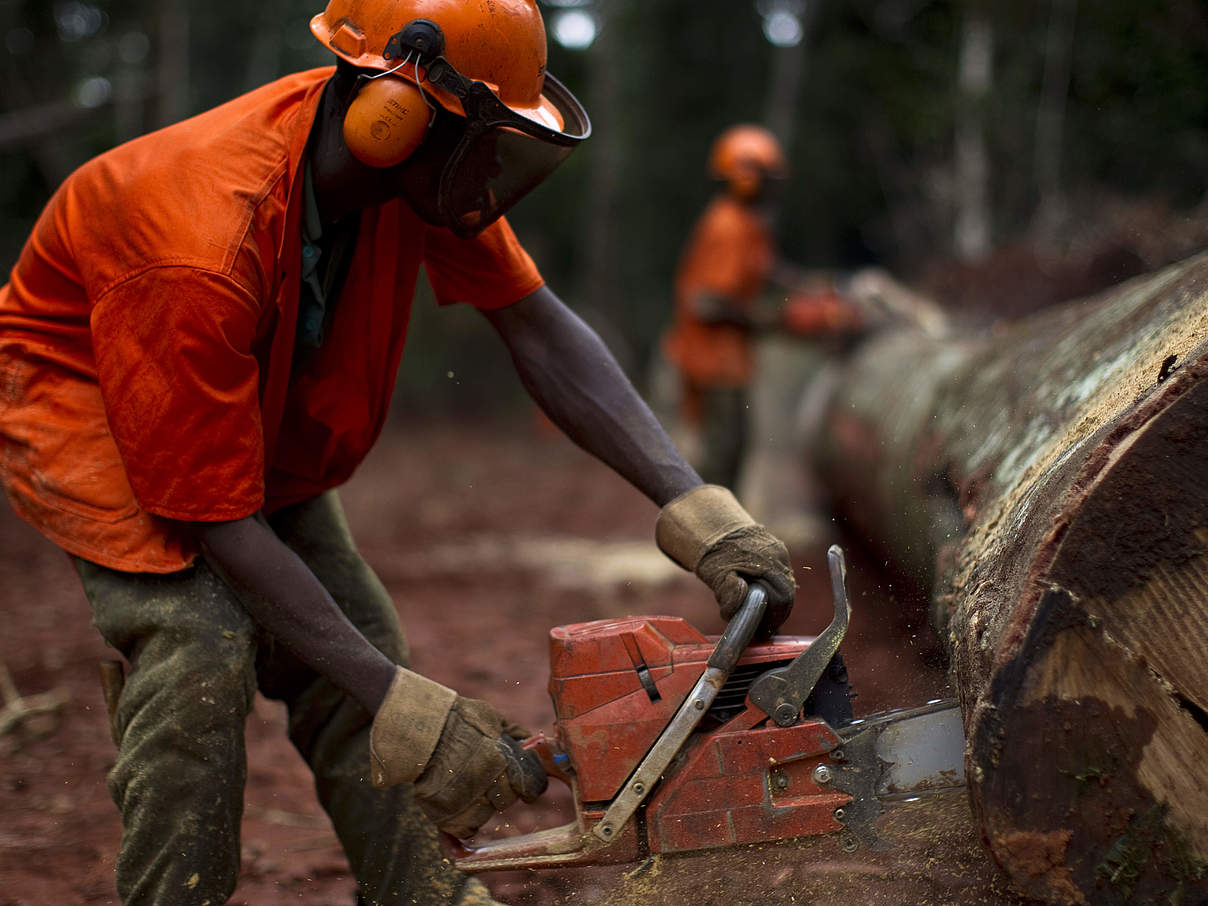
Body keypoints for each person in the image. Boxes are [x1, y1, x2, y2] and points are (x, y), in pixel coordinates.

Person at [0, 2, 798, 905]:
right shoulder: (197, 241)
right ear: (396, 115)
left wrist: (698, 510)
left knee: (355, 645)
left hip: (245, 401)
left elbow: (539, 328)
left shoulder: (415, 176)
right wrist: (404, 705)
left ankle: (427, 895)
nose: (497, 169)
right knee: (200, 645)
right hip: (92, 402)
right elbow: (211, 515)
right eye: (488, 142)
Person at [662, 124, 797, 490]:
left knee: (733, 452)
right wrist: (766, 319)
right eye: (767, 178)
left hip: (727, 360)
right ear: (746, 177)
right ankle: (713, 536)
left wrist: (810, 291)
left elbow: (769, 271)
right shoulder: (727, 226)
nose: (772, 186)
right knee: (722, 457)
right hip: (713, 361)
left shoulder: (745, 224)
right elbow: (706, 302)